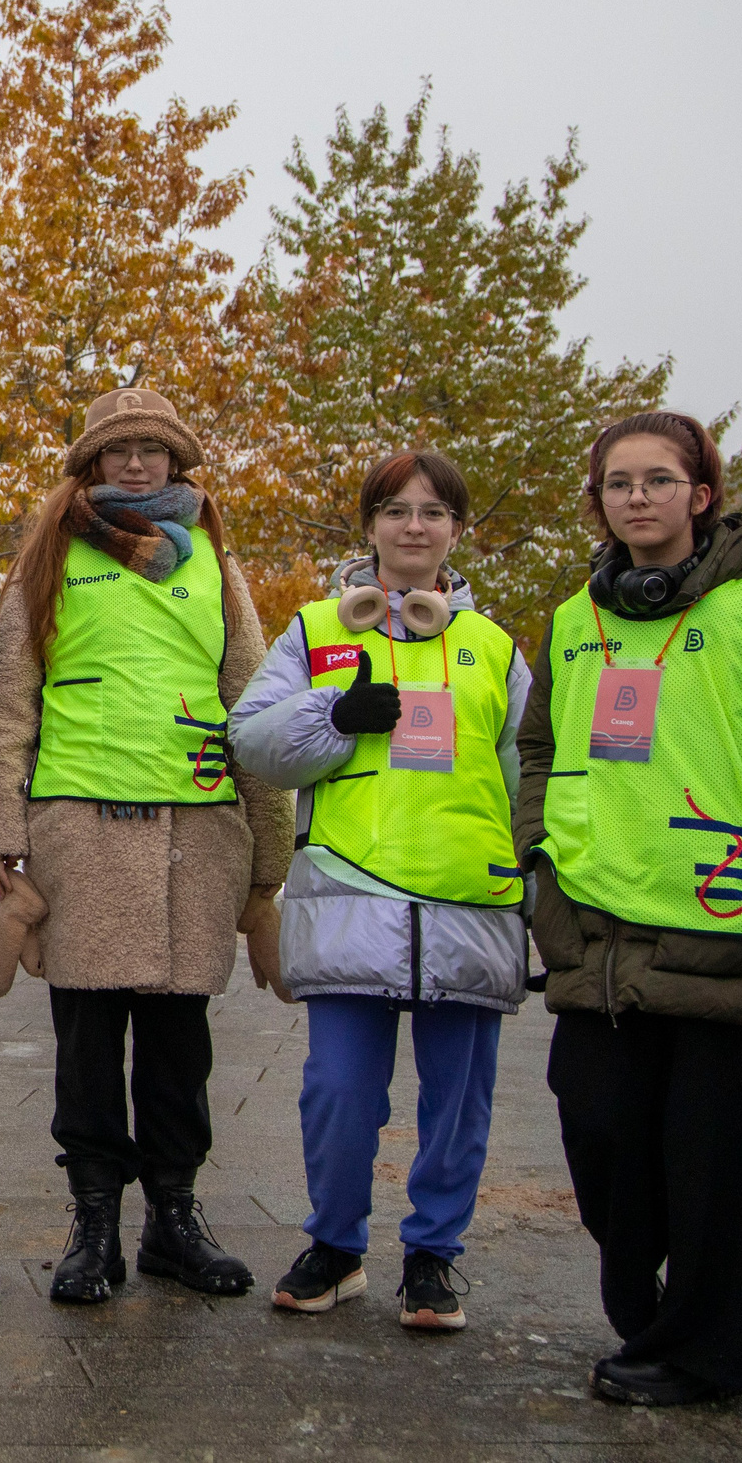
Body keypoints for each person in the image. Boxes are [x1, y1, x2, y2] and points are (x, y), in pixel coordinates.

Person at [518, 411, 742, 1407]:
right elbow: (538, 749)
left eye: (659, 480)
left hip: (721, 921)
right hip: (597, 931)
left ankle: (707, 1356)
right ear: (598, 501)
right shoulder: (574, 619)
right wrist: (540, 859)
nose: (638, 497)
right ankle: (659, 1318)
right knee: (599, 1128)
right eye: (618, 483)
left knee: (716, 1165)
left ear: (700, 494)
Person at [0, 388, 292, 1306]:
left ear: (178, 465)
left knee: (179, 1040)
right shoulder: (49, 561)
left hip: (199, 831)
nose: (138, 464)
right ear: (93, 465)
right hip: (81, 832)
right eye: (121, 452)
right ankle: (94, 1221)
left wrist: (269, 860)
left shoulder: (217, 566)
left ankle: (174, 1220)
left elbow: (255, 705)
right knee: (86, 1035)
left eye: (155, 451)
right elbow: (8, 702)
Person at [229, 450, 535, 1333]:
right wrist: (333, 716)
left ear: (456, 530)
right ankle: (336, 1247)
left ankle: (434, 1256)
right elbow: (250, 739)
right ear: (368, 524)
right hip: (350, 904)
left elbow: (529, 772)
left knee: (459, 1102)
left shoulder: (495, 647)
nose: (413, 525)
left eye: (433, 511)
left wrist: (535, 880)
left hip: (469, 907)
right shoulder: (319, 630)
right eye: (395, 509)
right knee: (338, 1091)